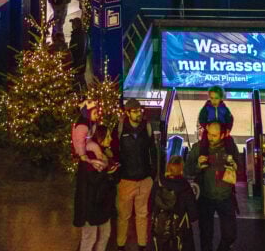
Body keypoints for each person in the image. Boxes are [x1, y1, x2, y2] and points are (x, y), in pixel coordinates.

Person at [185, 120, 239, 251]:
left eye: (214, 135)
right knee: (206, 235)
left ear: (222, 135)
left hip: (225, 196)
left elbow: (240, 166)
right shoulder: (199, 148)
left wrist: (235, 167)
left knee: (230, 234)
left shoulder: (230, 148)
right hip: (205, 197)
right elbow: (187, 170)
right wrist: (198, 166)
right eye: (209, 134)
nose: (210, 138)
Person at [114, 98, 157, 251]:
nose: (139, 113)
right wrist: (118, 176)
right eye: (135, 111)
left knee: (142, 215)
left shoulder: (146, 127)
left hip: (144, 180)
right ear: (127, 113)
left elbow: (153, 150)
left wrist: (152, 174)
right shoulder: (120, 129)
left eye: (140, 110)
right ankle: (120, 245)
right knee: (123, 216)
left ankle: (141, 245)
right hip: (126, 180)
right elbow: (114, 151)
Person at [73, 123, 118, 251]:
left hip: (102, 206)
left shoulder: (105, 154)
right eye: (107, 136)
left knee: (105, 234)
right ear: (99, 137)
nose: (110, 138)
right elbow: (93, 180)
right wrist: (107, 171)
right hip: (90, 207)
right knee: (90, 238)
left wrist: (110, 170)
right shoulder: (90, 158)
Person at [150, 154, 198, 251]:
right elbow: (193, 213)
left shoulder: (158, 183)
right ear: (181, 169)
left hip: (161, 228)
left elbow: (150, 206)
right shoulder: (185, 187)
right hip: (179, 230)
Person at [70, 17, 88, 90]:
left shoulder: (76, 35)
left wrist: (73, 61)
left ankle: (79, 94)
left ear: (76, 25)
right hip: (82, 62)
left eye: (73, 24)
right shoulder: (84, 34)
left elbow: (74, 49)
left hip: (77, 62)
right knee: (81, 78)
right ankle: (85, 93)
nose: (72, 26)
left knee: (76, 80)